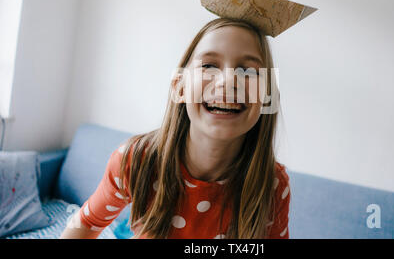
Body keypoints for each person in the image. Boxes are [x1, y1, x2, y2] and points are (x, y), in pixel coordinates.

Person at [59, 18, 290, 239]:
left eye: (249, 71)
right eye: (209, 65)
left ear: (267, 97)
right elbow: (88, 222)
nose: (228, 81)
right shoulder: (136, 159)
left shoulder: (272, 185)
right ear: (179, 87)